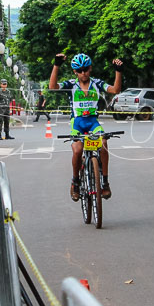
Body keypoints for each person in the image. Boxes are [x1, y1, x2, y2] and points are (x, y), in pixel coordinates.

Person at [49, 53, 124, 201]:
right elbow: (53, 87)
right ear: (75, 72)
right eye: (80, 70)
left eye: (86, 70)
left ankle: (105, 182)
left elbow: (115, 90)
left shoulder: (97, 83)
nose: (83, 73)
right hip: (77, 123)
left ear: (90, 69)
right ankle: (75, 182)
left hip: (92, 122)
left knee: (103, 143)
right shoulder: (71, 84)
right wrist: (56, 65)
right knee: (77, 150)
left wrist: (118, 71)